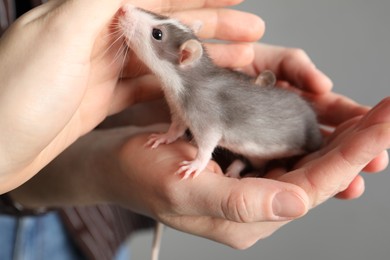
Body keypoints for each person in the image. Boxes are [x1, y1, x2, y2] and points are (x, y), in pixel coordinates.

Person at [1, 0, 389, 259]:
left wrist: (201, 157)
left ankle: (242, 164)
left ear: (184, 57)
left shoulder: (193, 89)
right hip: (48, 218)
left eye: (155, 35)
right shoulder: (185, 85)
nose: (132, 19)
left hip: (289, 134)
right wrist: (173, 134)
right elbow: (185, 116)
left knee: (225, 135)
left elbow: (207, 127)